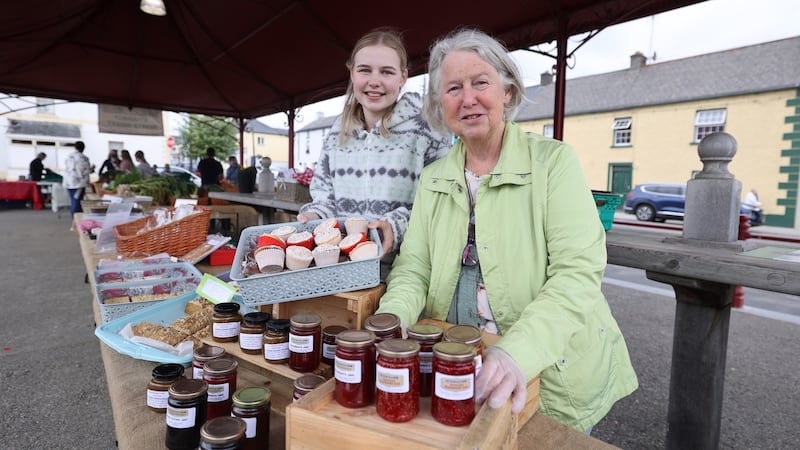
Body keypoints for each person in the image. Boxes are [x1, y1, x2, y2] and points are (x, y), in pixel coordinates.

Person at [374, 28, 638, 433]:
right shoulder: (433, 177)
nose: (468, 99)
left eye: (481, 82)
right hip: (459, 361)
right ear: (439, 105)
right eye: (453, 89)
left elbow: (577, 273)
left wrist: (516, 353)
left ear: (508, 92)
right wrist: (391, 321)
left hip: (549, 366)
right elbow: (414, 269)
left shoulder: (553, 162)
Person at [296, 27, 452, 263]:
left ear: (403, 77)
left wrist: (394, 226)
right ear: (352, 74)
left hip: (406, 270)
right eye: (365, 70)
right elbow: (325, 198)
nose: (374, 81)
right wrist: (314, 215)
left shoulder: (427, 128)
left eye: (386, 72)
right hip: (344, 267)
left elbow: (442, 204)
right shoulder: (338, 132)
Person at [63, 140, 94, 218]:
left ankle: (75, 219)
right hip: (78, 184)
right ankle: (76, 220)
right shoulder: (83, 158)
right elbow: (83, 172)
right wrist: (91, 169)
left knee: (73, 201)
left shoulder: (69, 156)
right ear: (83, 148)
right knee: (77, 202)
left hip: (68, 182)